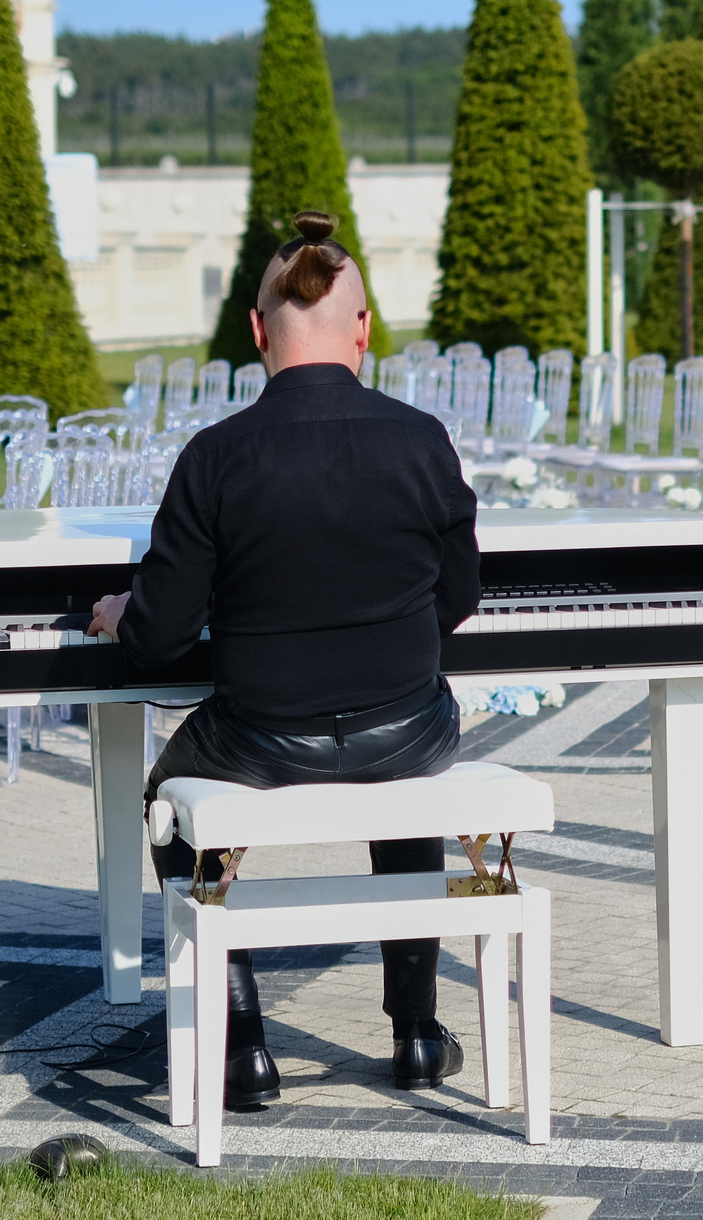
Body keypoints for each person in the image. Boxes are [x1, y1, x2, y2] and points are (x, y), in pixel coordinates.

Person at [87, 208, 478, 1109]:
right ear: (365, 330)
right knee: (403, 773)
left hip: (263, 737)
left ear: (258, 332)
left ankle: (241, 1054)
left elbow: (162, 636)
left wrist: (119, 612)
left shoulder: (216, 457)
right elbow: (456, 602)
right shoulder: (422, 440)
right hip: (408, 729)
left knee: (164, 799)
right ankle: (417, 1036)